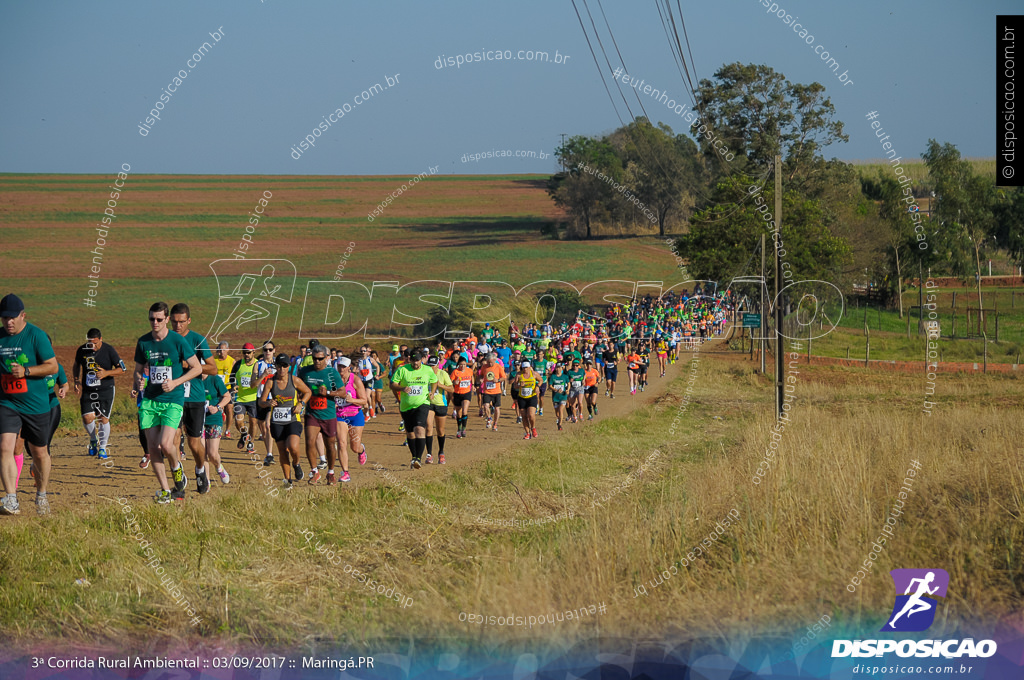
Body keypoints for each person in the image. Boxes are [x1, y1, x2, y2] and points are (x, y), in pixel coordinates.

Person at [133, 301, 203, 503]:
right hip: (150, 400)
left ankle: (176, 467)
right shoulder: (144, 342)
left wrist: (175, 382)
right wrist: (138, 380)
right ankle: (165, 490)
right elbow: (138, 369)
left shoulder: (177, 341)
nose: (154, 322)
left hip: (173, 398)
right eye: (151, 319)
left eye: (159, 319)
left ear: (166, 320)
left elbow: (197, 368)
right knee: (152, 447)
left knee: (165, 444)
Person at [0, 294, 59, 516]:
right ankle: (11, 498)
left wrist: (26, 372)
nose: (8, 322)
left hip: (36, 405)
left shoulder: (36, 336)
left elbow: (52, 367)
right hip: (8, 402)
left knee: (39, 452)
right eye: (4, 318)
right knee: (5, 446)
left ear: (23, 315)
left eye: (13, 318)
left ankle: (41, 494)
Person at [169, 303, 217, 494]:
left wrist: (191, 365)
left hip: (195, 396)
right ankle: (178, 476)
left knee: (193, 443)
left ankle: (200, 470)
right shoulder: (166, 340)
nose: (177, 325)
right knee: (173, 438)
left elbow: (212, 368)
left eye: (181, 322)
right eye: (174, 321)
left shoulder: (197, 340)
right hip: (172, 397)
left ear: (188, 320)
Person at [258, 353, 311, 488]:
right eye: (279, 366)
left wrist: (301, 404)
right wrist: (268, 402)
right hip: (277, 421)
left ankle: (296, 463)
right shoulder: (271, 382)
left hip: (293, 419)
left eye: (285, 366)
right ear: (275, 366)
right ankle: (288, 480)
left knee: (293, 446)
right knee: (282, 451)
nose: (282, 369)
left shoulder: (294, 380)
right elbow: (261, 402)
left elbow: (308, 392)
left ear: (289, 367)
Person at [73, 328, 124, 460]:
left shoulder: (109, 350)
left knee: (103, 418)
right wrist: (76, 380)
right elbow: (76, 365)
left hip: (106, 389)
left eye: (96, 343)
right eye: (90, 343)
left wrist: (106, 373)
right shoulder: (82, 350)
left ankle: (102, 448)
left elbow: (122, 369)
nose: (93, 346)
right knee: (87, 418)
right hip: (88, 390)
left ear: (101, 339)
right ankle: (93, 439)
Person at [296, 344, 344, 484]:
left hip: (328, 414)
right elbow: (298, 387)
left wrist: (328, 393)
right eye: (315, 358)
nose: (317, 361)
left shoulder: (332, 373)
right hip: (312, 413)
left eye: (320, 359)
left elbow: (342, 393)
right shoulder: (305, 371)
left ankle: (330, 472)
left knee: (330, 445)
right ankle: (314, 471)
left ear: (326, 358)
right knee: (310, 441)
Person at [391, 350, 437, 469]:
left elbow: (434, 381)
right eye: (413, 360)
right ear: (410, 359)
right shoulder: (402, 370)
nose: (415, 363)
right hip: (406, 406)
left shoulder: (428, 370)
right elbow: (392, 384)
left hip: (422, 403)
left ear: (422, 359)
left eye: (417, 360)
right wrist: (402, 388)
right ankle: (414, 457)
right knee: (410, 433)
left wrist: (432, 392)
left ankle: (418, 458)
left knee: (420, 429)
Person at [334, 356, 369, 481]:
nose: (341, 369)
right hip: (340, 415)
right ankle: (345, 473)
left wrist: (351, 400)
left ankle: (361, 450)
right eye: (339, 366)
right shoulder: (334, 380)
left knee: (354, 447)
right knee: (341, 443)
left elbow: (364, 401)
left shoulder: (356, 380)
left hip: (355, 415)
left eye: (343, 366)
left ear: (349, 368)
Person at [201, 371, 232, 489]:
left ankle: (219, 467)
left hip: (214, 419)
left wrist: (218, 407)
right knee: (202, 453)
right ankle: (206, 482)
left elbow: (227, 396)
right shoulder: (193, 380)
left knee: (212, 454)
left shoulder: (215, 379)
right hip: (199, 421)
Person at [228, 343, 261, 454]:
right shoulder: (238, 364)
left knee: (253, 422)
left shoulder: (258, 364)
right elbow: (231, 376)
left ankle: (251, 442)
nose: (246, 355)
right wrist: (233, 386)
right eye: (244, 353)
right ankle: (244, 434)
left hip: (253, 398)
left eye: (248, 352)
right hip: (240, 398)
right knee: (238, 421)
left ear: (253, 352)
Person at [425, 355, 453, 463]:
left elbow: (451, 389)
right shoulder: (425, 374)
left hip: (441, 404)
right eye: (430, 365)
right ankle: (429, 454)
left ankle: (441, 452)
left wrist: (440, 385)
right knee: (428, 427)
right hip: (428, 403)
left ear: (438, 365)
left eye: (433, 365)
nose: (431, 368)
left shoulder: (443, 374)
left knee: (440, 430)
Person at [254, 340, 277, 464]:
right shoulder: (258, 365)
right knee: (263, 427)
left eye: (270, 349)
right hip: (260, 399)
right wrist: (263, 375)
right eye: (265, 350)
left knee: (268, 425)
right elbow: (253, 384)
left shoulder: (278, 365)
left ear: (274, 350)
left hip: (272, 399)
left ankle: (270, 454)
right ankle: (269, 451)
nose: (267, 352)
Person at [211, 341, 235, 437]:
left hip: (228, 388)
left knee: (229, 408)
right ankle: (216, 429)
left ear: (228, 350)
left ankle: (227, 430)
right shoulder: (213, 360)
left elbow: (235, 375)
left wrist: (234, 386)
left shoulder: (232, 361)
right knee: (216, 407)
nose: (221, 352)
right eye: (220, 349)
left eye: (223, 349)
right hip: (216, 388)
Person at [449, 355, 474, 439]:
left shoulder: (469, 370)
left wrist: (473, 385)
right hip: (457, 394)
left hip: (466, 393)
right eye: (461, 364)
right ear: (458, 364)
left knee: (464, 411)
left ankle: (464, 429)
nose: (462, 366)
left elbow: (472, 377)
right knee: (459, 414)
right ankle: (459, 428)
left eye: (464, 364)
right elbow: (450, 381)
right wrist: (454, 382)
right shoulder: (455, 372)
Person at [480, 353, 506, 431]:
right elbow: (481, 375)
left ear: (495, 360)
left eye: (491, 362)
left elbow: (504, 377)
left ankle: (495, 424)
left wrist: (497, 380)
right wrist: (481, 379)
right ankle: (489, 418)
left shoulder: (498, 367)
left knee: (497, 408)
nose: (490, 363)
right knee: (485, 406)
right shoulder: (484, 367)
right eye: (488, 362)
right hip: (487, 390)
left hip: (496, 391)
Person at [513, 360, 539, 439]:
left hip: (532, 397)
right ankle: (528, 433)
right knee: (524, 416)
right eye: (523, 368)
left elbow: (541, 380)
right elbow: (515, 386)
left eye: (526, 368)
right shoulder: (519, 375)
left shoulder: (534, 374)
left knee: (531, 415)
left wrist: (537, 387)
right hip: (522, 398)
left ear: (529, 367)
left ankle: (533, 428)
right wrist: (519, 385)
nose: (525, 369)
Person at [546, 362, 570, 431]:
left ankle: (560, 425)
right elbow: (550, 386)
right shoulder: (553, 377)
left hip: (563, 396)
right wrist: (555, 389)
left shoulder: (565, 376)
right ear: (555, 368)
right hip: (555, 397)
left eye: (560, 368)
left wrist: (567, 390)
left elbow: (568, 384)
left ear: (562, 368)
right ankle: (559, 419)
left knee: (561, 409)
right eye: (557, 368)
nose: (558, 369)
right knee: (557, 413)